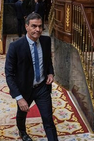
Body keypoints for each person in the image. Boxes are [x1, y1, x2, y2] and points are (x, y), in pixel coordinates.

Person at [5, 12, 58, 141]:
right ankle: (22, 132)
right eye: (34, 26)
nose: (38, 30)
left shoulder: (46, 41)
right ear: (26, 26)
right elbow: (9, 74)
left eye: (40, 26)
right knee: (22, 114)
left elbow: (48, 61)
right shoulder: (15, 46)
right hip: (24, 90)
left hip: (42, 88)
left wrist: (50, 73)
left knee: (48, 119)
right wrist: (19, 97)